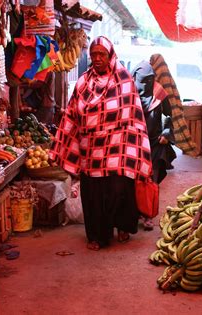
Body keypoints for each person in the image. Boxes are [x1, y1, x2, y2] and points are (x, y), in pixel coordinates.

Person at [52, 36, 152, 251]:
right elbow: (71, 114)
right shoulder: (83, 82)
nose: (97, 58)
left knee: (119, 190)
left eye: (102, 55)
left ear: (110, 56)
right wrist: (65, 142)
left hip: (118, 148)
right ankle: (97, 236)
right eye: (94, 54)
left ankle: (123, 226)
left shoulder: (124, 80)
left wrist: (134, 145)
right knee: (94, 195)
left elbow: (133, 115)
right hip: (92, 151)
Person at [132, 60, 176, 231]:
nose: (145, 84)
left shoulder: (159, 93)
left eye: (148, 80)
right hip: (133, 143)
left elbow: (168, 116)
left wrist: (166, 133)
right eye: (141, 80)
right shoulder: (127, 93)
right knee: (133, 180)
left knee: (152, 180)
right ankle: (134, 212)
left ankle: (148, 215)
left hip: (154, 142)